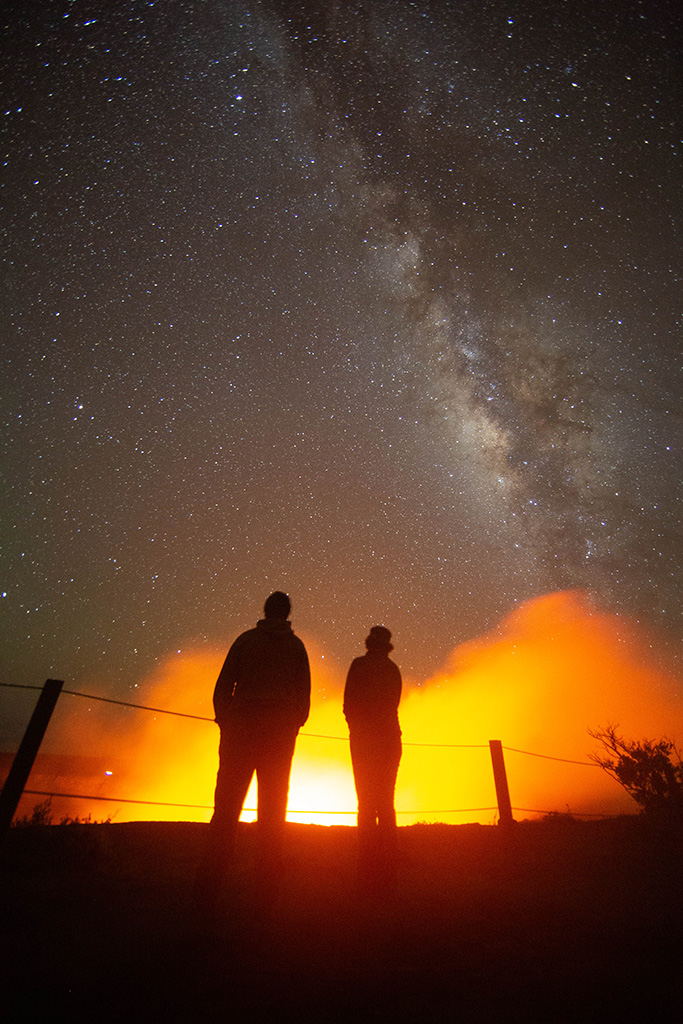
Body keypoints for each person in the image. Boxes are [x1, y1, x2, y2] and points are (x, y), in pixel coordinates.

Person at [196, 591, 310, 905]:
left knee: (226, 811)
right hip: (278, 741)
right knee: (272, 814)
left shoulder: (246, 641)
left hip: (240, 736)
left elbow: (223, 686)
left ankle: (208, 890)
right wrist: (288, 727)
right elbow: (304, 700)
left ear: (265, 610)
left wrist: (227, 722)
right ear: (287, 614)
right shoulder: (296, 648)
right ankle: (265, 894)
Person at [343, 625, 402, 887]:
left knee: (366, 804)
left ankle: (366, 870)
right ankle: (388, 870)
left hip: (364, 743)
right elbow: (393, 704)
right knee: (386, 803)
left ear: (369, 643)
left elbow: (348, 705)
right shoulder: (392, 670)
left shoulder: (358, 666)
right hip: (389, 741)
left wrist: (358, 730)